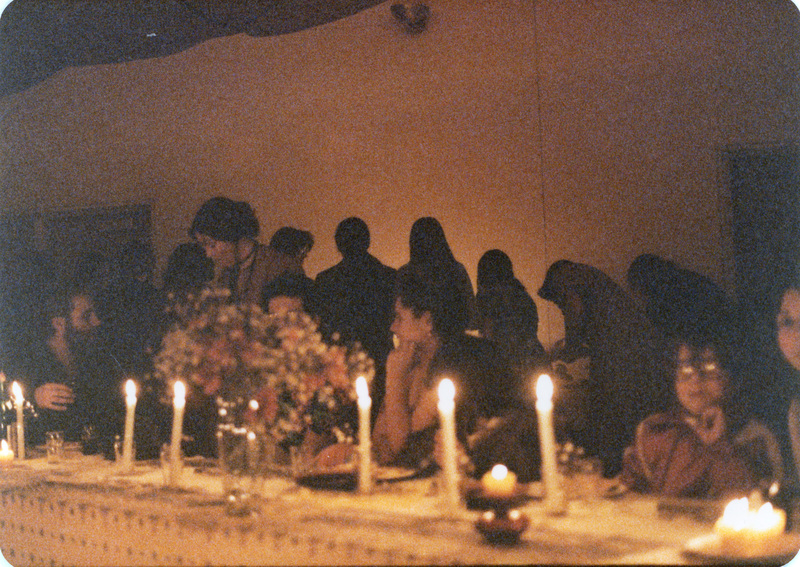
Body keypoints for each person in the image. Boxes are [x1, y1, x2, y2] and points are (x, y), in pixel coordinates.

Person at [371, 269, 526, 476]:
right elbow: (378, 441)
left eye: (399, 317)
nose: (392, 327)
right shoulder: (409, 366)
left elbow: (405, 454)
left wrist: (395, 381)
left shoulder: (454, 372)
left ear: (428, 321)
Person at [538, 260, 672, 477]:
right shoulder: (599, 284)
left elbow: (575, 315)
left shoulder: (572, 283)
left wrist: (568, 346)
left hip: (621, 360)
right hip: (636, 360)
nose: (561, 308)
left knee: (613, 424)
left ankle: (614, 477)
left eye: (560, 303)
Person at [619, 335, 783, 498]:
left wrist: (719, 446)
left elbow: (755, 501)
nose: (696, 379)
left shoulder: (754, 437)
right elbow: (628, 498)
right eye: (685, 369)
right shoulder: (655, 431)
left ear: (733, 377)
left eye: (710, 368)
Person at [9, 285, 125, 448]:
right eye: (86, 316)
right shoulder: (26, 361)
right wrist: (33, 398)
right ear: (59, 324)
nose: (96, 322)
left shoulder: (97, 359)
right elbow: (8, 407)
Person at [314, 217, 397, 415]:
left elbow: (321, 326)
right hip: (379, 359)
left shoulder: (325, 280)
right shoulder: (389, 277)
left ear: (338, 245)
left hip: (339, 366)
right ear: (367, 241)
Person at [190, 197, 311, 306]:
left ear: (230, 234)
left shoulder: (281, 266)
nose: (208, 253)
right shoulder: (226, 275)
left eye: (212, 244)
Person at [626, 253, 732, 341]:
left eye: (637, 289)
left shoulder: (659, 304)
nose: (638, 296)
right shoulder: (689, 279)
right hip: (729, 335)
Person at [475, 249, 545, 381]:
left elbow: (487, 333)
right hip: (530, 360)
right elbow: (532, 328)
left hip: (502, 363)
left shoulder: (487, 297)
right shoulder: (521, 295)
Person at [397, 217, 476, 333]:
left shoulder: (405, 274)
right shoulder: (456, 270)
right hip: (454, 341)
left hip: (418, 342)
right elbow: (472, 316)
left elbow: (398, 315)